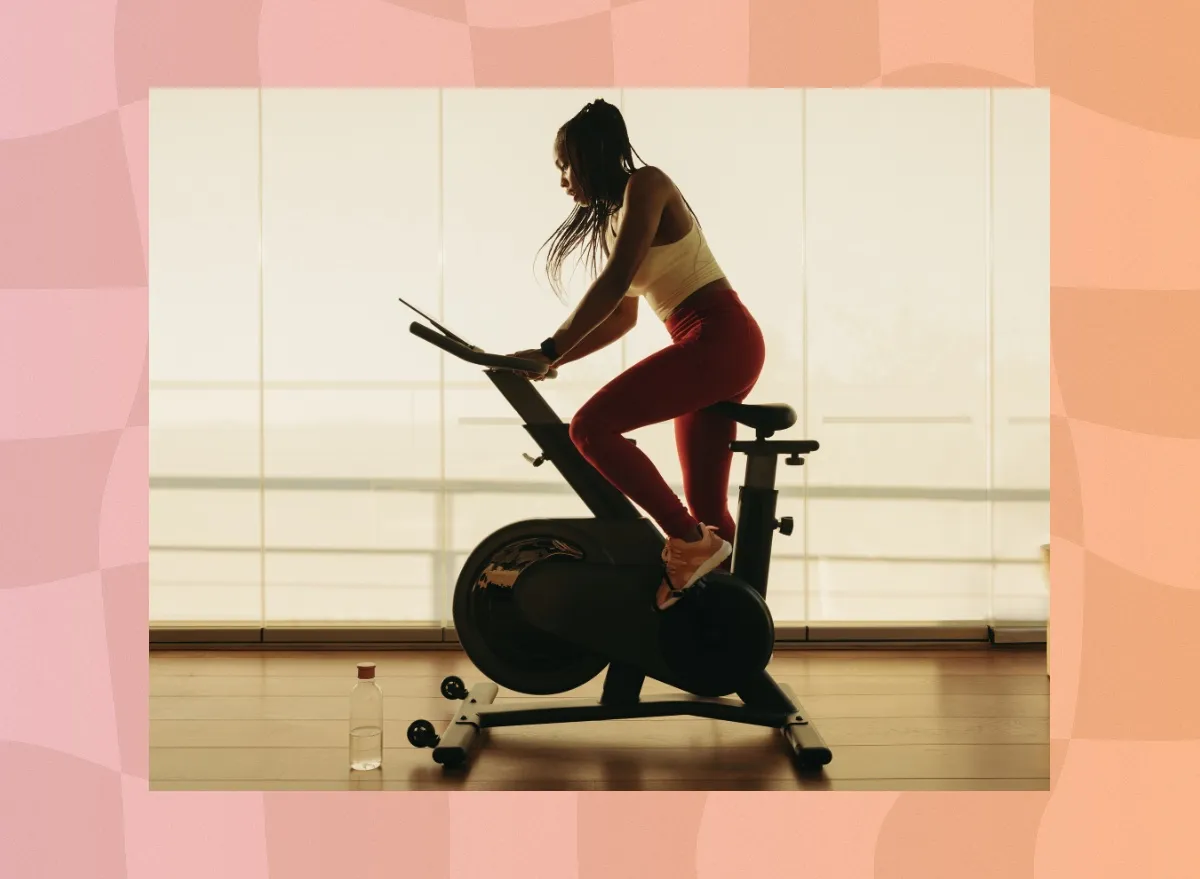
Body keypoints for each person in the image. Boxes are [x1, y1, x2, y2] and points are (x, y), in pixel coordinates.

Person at [510, 98, 766, 612]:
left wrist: (551, 347)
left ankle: (691, 544)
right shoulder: (612, 222)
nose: (563, 179)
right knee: (710, 511)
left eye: (565, 166)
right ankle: (734, 633)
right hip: (705, 345)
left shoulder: (647, 186)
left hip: (721, 337)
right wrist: (552, 360)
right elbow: (623, 318)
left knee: (589, 428)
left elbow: (616, 282)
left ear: (590, 156)